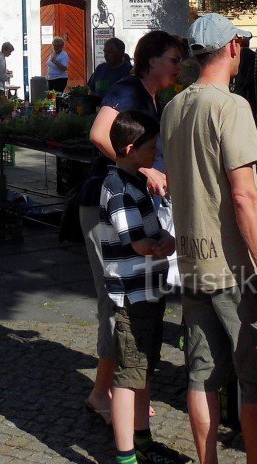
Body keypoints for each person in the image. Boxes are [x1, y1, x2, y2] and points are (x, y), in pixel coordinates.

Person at [162, 13, 257, 464]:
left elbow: (194, 180)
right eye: (241, 45)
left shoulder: (175, 107)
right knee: (252, 378)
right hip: (233, 268)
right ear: (232, 47)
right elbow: (241, 195)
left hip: (192, 259)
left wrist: (248, 196)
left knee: (201, 374)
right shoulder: (231, 107)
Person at [77, 29, 181, 427]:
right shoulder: (128, 89)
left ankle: (115, 390)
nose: (178, 66)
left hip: (127, 206)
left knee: (125, 298)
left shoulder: (150, 96)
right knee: (115, 298)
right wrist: (145, 167)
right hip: (106, 206)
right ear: (151, 59)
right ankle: (104, 394)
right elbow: (99, 134)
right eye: (173, 59)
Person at [95, 111, 176, 464]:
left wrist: (166, 241)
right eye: (151, 149)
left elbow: (154, 232)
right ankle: (126, 454)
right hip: (130, 293)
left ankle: (142, 439)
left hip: (149, 289)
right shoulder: (116, 188)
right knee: (129, 375)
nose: (154, 155)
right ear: (130, 149)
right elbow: (135, 240)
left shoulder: (135, 184)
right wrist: (156, 244)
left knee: (145, 368)